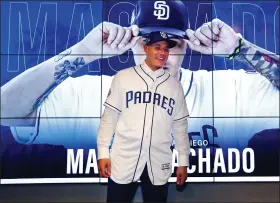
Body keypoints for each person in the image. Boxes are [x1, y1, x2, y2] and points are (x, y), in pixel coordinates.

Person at [1, 1, 279, 172]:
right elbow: (7, 109)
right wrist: (81, 52)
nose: (158, 53)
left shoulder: (230, 91)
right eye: (148, 42)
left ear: (187, 45)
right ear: (132, 41)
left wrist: (240, 48)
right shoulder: (88, 95)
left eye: (170, 43)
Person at [97, 31, 190, 202]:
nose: (162, 53)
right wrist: (103, 152)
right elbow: (109, 118)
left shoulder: (174, 85)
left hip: (158, 158)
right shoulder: (123, 77)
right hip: (125, 157)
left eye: (166, 49)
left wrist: (183, 160)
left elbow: (180, 126)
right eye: (157, 47)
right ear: (146, 48)